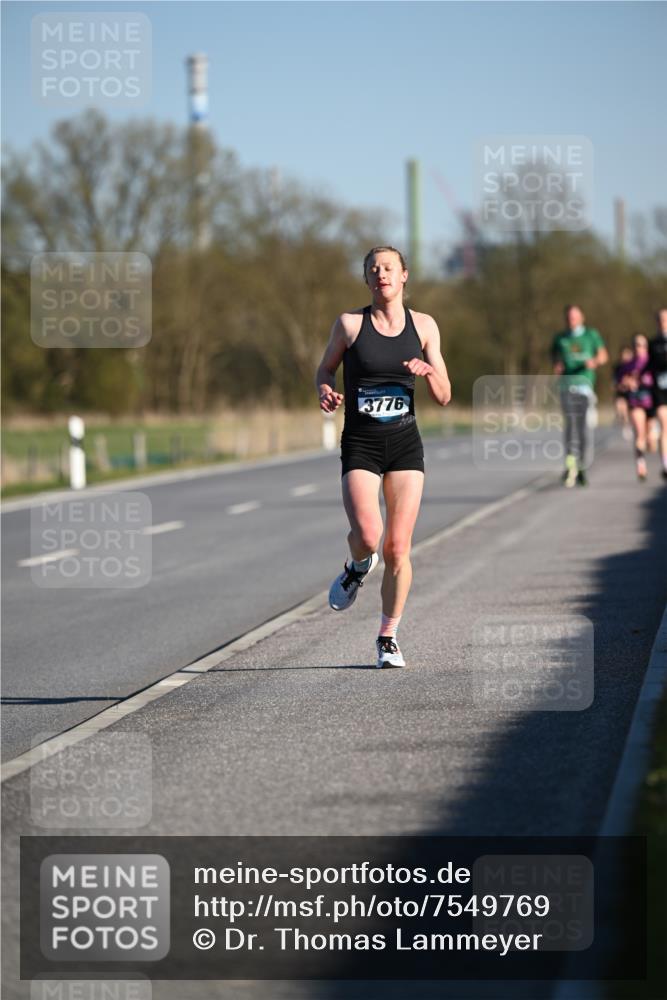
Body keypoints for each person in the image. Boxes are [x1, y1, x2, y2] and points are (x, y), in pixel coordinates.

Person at [315, 246, 451, 668]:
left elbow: (445, 396)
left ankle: (387, 637)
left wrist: (429, 373)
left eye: (389, 268)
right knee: (369, 537)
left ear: (404, 276)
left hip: (405, 444)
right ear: (367, 280)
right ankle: (357, 567)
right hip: (361, 442)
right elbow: (325, 370)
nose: (381, 274)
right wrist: (325, 390)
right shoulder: (350, 324)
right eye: (373, 269)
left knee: (398, 548)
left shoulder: (425, 326)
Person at [551, 305, 608, 487]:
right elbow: (553, 355)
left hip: (584, 385)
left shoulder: (591, 335)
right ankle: (569, 464)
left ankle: (582, 464)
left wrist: (595, 361)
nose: (571, 320)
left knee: (582, 426)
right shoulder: (560, 338)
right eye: (569, 317)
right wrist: (557, 364)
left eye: (574, 317)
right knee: (570, 425)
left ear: (582, 317)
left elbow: (603, 355)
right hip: (566, 385)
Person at [615, 334, 655, 480]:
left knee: (651, 441)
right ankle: (641, 465)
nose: (639, 348)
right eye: (636, 345)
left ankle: (651, 444)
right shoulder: (627, 365)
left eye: (642, 345)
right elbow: (619, 385)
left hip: (652, 403)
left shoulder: (653, 362)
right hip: (635, 402)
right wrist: (626, 383)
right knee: (639, 434)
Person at [648, 307, 667, 480]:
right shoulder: (653, 344)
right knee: (665, 425)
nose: (663, 323)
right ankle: (665, 465)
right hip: (660, 391)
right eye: (660, 319)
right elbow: (647, 367)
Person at [612, 345, 634, 441]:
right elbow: (614, 383)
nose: (625, 357)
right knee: (620, 406)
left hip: (633, 393)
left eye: (627, 354)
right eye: (623, 354)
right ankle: (626, 425)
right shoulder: (618, 368)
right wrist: (620, 385)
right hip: (621, 393)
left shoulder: (635, 366)